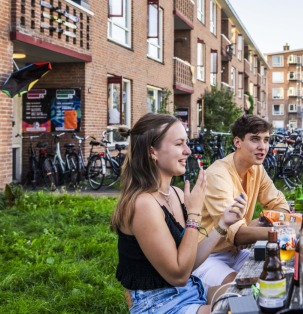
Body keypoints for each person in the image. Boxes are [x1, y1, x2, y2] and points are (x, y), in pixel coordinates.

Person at [111, 113, 246, 314]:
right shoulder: (143, 204)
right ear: (153, 152)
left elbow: (188, 262)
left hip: (190, 290)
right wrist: (193, 215)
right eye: (179, 144)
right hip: (159, 304)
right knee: (243, 311)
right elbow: (179, 274)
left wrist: (222, 225)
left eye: (187, 143)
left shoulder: (176, 193)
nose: (188, 150)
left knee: (252, 295)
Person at [193, 115, 291, 287]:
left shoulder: (256, 169)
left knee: (281, 272)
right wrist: (289, 231)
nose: (263, 147)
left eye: (266, 140)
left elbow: (281, 206)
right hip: (207, 256)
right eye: (255, 139)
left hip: (237, 251)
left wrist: (254, 226)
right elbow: (237, 234)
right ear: (237, 142)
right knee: (241, 290)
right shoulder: (218, 174)